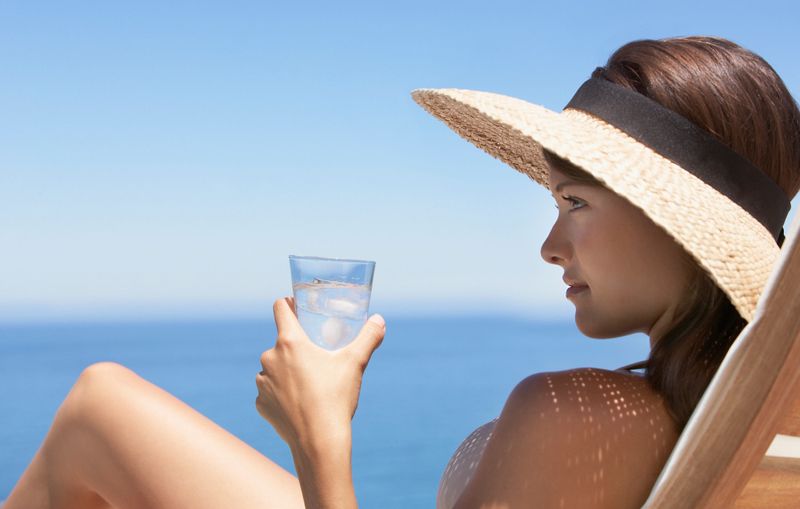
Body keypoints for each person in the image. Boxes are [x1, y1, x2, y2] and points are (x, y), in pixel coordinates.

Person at [5, 35, 800, 509]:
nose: (551, 246)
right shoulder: (729, 417)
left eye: (576, 202)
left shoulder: (582, 412)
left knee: (93, 412)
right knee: (103, 404)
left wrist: (321, 433)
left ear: (678, 223)